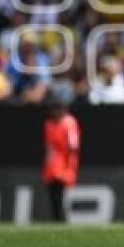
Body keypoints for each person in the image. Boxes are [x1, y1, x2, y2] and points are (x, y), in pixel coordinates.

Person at [42, 92, 80, 222]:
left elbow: (72, 146)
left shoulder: (69, 122)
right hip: (52, 165)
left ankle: (62, 220)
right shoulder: (48, 124)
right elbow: (49, 147)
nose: (54, 111)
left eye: (57, 107)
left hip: (64, 164)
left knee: (61, 194)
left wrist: (70, 166)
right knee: (52, 193)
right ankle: (57, 219)